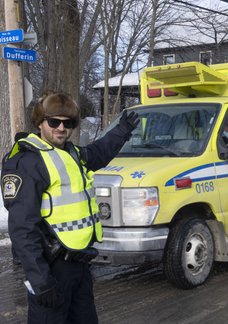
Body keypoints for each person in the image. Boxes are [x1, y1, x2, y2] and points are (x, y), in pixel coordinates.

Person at [1, 91, 139, 323]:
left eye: (68, 123)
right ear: (40, 122)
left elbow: (99, 152)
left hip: (79, 265)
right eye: (54, 121)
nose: (61, 128)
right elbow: (23, 229)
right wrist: (40, 281)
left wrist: (122, 129)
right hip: (50, 269)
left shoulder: (71, 153)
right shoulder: (28, 162)